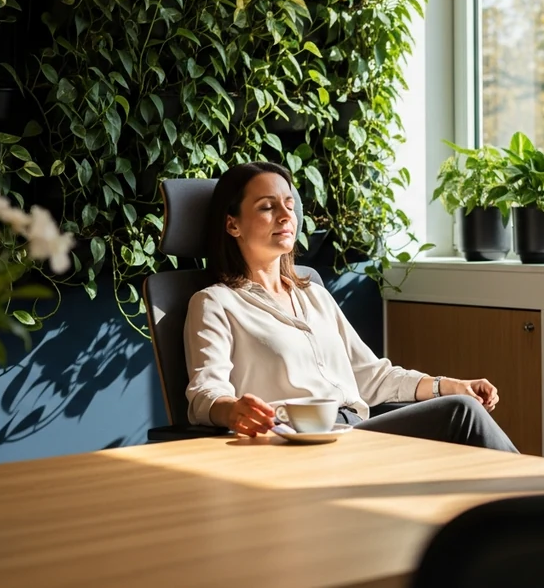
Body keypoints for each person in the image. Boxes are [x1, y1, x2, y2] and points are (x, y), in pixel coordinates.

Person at [183, 161, 518, 453]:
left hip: (352, 431)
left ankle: (531, 513)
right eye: (267, 207)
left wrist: (447, 384)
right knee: (460, 414)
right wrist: (232, 411)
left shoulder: (314, 295)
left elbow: (371, 377)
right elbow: (205, 393)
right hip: (296, 443)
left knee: (459, 413)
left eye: (288, 204)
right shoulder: (215, 303)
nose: (286, 216)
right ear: (232, 225)